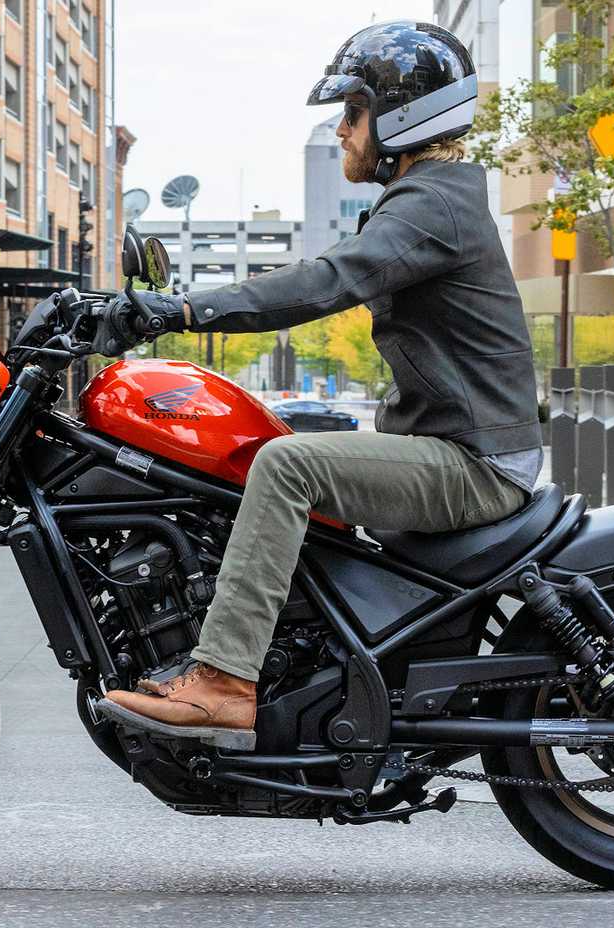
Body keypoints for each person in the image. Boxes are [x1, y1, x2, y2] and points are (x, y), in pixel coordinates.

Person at [94, 21, 543, 744]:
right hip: (458, 449)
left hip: (475, 463)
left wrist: (178, 309)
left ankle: (223, 683)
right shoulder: (430, 198)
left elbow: (327, 281)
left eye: (352, 111)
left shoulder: (435, 204)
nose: (341, 130)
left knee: (286, 464)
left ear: (402, 115)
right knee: (259, 446)